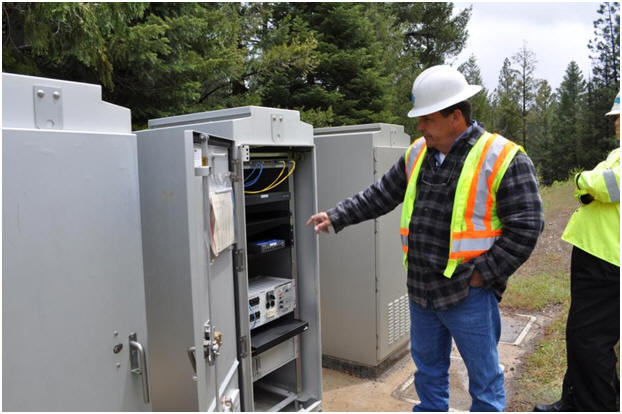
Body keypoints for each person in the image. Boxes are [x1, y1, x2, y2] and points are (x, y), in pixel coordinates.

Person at [307, 65, 544, 411]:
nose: (419, 127)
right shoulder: (418, 152)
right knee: (429, 373)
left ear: (456, 117)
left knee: (485, 381)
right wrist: (337, 215)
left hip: (468, 293)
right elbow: (380, 195)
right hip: (421, 290)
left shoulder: (503, 157)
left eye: (427, 119)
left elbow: (527, 225)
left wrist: (484, 273)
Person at [534, 93, 620, 412]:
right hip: (596, 255)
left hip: (609, 261)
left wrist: (583, 178)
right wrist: (588, 185)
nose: (615, 123)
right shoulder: (618, 153)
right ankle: (575, 398)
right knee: (582, 334)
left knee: (591, 339)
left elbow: (603, 185)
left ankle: (595, 405)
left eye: (619, 117)